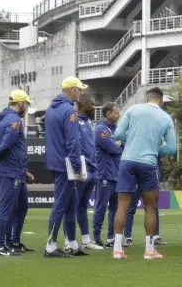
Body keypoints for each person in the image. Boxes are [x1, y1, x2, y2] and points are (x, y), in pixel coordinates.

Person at [112, 86, 176, 260]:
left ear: (147, 98)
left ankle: (117, 249)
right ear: (161, 100)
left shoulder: (133, 109)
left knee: (122, 205)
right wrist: (155, 148)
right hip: (148, 163)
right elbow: (171, 148)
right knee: (150, 207)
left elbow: (118, 133)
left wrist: (132, 140)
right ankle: (149, 250)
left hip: (127, 161)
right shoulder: (165, 117)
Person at [0, 89, 32, 256]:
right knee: (6, 209)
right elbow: (6, 144)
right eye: (26, 104)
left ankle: (12, 242)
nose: (27, 107)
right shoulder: (14, 121)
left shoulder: (0, 120)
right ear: (20, 103)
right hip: (10, 171)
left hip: (15, 171)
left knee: (21, 206)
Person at [44, 77, 88, 258]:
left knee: (71, 203)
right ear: (70, 89)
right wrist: (77, 166)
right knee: (61, 204)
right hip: (67, 165)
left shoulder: (50, 109)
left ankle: (71, 243)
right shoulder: (69, 110)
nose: (81, 92)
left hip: (57, 162)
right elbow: (72, 141)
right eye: (79, 89)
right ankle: (50, 245)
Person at [75, 93, 102, 250]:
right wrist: (79, 166)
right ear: (83, 104)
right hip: (83, 170)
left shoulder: (89, 122)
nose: (94, 107)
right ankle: (69, 240)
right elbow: (76, 146)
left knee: (82, 207)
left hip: (93, 169)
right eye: (91, 104)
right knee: (73, 206)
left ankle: (86, 240)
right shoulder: (76, 121)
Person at [93, 102, 122, 247]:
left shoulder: (118, 129)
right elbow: (112, 148)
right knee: (101, 207)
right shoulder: (101, 129)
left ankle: (111, 238)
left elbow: (123, 145)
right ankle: (96, 237)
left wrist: (119, 144)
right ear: (108, 113)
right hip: (105, 174)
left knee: (115, 208)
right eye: (116, 112)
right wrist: (119, 144)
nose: (119, 114)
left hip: (117, 174)